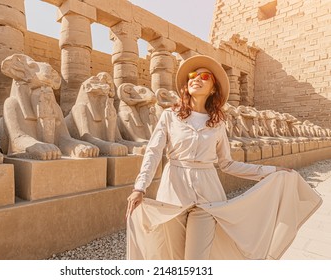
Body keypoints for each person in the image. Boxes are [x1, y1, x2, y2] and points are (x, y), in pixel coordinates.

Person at [125, 55, 322, 260]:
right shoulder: (169, 116)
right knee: (173, 258)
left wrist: (271, 171)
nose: (196, 79)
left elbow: (227, 164)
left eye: (204, 76)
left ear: (213, 89)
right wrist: (140, 187)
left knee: (196, 261)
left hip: (208, 197)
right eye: (192, 75)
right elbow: (153, 152)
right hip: (173, 195)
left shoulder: (217, 124)